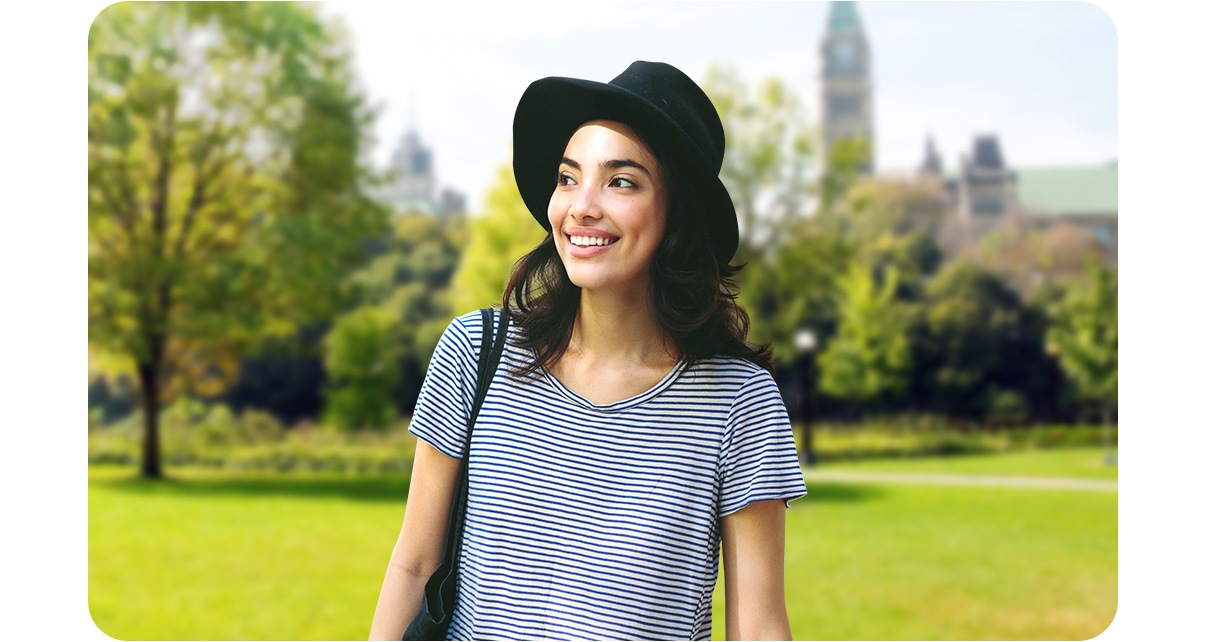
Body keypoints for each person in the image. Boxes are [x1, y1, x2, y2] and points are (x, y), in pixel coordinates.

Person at [370, 60, 807, 641]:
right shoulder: (477, 352)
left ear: (677, 213)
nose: (581, 207)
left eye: (621, 181)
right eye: (569, 177)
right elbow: (414, 564)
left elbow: (757, 626)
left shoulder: (738, 400)